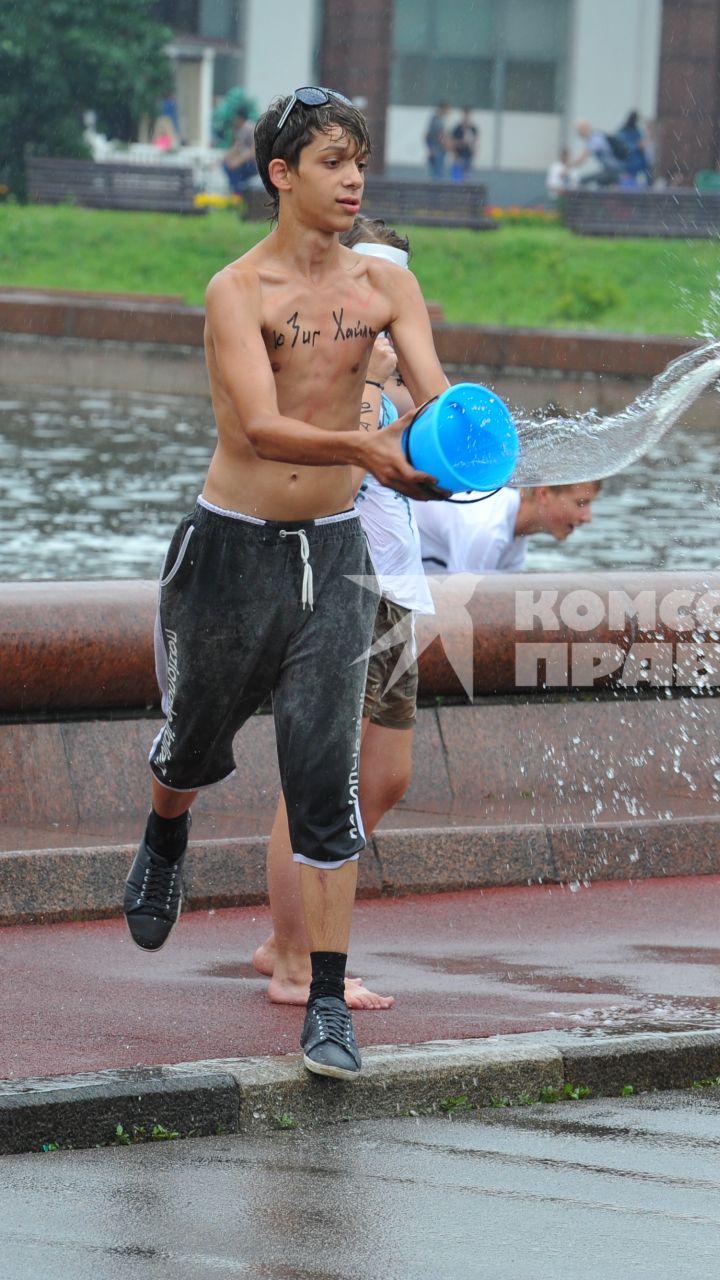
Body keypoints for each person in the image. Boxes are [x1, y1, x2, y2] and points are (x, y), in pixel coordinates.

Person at [123, 87, 450, 1081]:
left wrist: (457, 441)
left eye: (360, 161)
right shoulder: (238, 290)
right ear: (281, 174)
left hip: (338, 553)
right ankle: (164, 830)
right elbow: (261, 426)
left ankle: (323, 998)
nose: (353, 180)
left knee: (325, 778)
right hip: (229, 549)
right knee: (191, 744)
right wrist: (369, 445)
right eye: (332, 162)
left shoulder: (386, 289)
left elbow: (432, 399)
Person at [249, 216, 436, 1009]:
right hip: (336, 586)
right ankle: (295, 955)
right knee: (321, 783)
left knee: (385, 777)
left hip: (392, 593)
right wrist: (366, 383)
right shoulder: (328, 385)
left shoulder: (389, 390)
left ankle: (293, 931)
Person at [413, 482, 601, 573]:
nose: (588, 517)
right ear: (543, 494)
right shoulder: (487, 529)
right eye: (581, 503)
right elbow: (459, 608)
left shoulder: (515, 529)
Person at [221, 108, 257, 193]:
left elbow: (255, 150)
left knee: (234, 169)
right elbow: (236, 148)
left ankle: (237, 194)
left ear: (240, 118)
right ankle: (236, 192)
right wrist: (222, 159)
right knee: (227, 165)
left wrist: (238, 161)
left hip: (255, 164)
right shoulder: (242, 129)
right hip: (247, 162)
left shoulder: (250, 128)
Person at [424, 103, 450, 182]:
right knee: (438, 176)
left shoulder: (434, 120)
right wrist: (447, 145)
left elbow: (427, 136)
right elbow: (440, 136)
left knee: (435, 174)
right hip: (438, 151)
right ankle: (436, 193)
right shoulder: (437, 122)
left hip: (436, 150)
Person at [449, 108, 477, 183]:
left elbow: (475, 143)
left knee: (467, 179)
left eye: (468, 115)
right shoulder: (457, 129)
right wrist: (461, 143)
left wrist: (473, 149)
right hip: (459, 156)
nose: (467, 117)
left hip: (468, 157)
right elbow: (452, 142)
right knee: (456, 180)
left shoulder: (473, 129)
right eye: (465, 115)